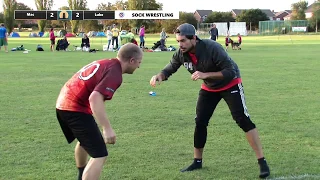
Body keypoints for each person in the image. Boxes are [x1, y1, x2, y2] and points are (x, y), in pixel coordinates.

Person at [149, 23, 270, 179]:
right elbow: (171, 67)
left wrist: (206, 75)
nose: (180, 45)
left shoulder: (212, 47)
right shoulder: (181, 53)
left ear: (194, 38)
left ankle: (262, 161)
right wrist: (160, 75)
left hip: (230, 83)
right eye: (178, 41)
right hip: (209, 88)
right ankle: (197, 161)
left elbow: (229, 71)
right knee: (200, 121)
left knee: (242, 119)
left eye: (183, 41)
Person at [55, 43, 143, 180]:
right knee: (100, 154)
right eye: (139, 62)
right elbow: (95, 98)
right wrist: (107, 128)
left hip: (63, 103)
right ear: (131, 60)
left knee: (85, 141)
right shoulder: (115, 73)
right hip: (74, 107)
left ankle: (81, 175)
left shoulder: (108, 63)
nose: (139, 66)